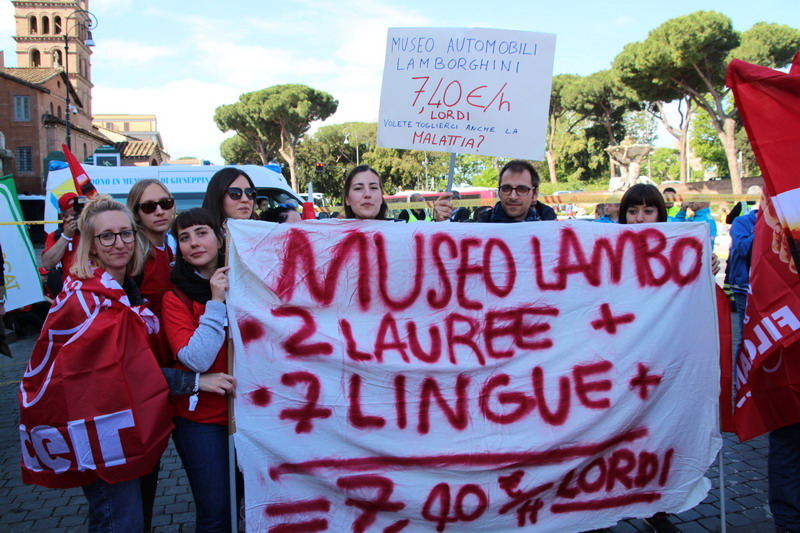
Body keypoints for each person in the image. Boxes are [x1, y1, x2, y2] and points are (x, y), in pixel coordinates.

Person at [20, 195, 172, 532]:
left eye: (126, 233)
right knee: (121, 521)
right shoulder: (84, 299)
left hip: (127, 426)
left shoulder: (125, 290)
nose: (119, 243)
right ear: (90, 245)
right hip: (101, 434)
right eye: (107, 236)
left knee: (130, 518)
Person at [162, 208, 237, 532]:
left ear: (219, 239)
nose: (194, 242)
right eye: (184, 237)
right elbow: (197, 359)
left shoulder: (247, 284)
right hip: (201, 421)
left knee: (246, 503)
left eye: (201, 232)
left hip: (249, 416)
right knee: (216, 513)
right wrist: (216, 302)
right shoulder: (174, 298)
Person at [434, 160, 556, 223]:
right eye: (506, 189)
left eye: (522, 189)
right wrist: (441, 224)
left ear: (535, 194)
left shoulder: (553, 230)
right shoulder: (479, 226)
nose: (513, 196)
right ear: (499, 192)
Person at [41, 191, 82, 292]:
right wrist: (66, 236)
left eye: (82, 214)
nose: (80, 219)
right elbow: (47, 264)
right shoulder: (56, 236)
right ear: (63, 217)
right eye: (76, 215)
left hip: (97, 287)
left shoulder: (95, 231)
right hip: (71, 289)